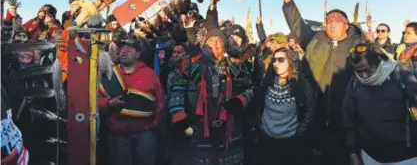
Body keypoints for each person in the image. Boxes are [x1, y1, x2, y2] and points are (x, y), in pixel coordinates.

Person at [279, 0, 362, 165]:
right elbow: (298, 25)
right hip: (313, 112)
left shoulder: (357, 46)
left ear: (346, 24)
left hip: (344, 117)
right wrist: (288, 2)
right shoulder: (315, 38)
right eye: (328, 20)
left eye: (337, 20)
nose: (331, 24)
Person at [168, 28, 254, 165]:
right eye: (211, 40)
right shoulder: (189, 65)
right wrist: (179, 118)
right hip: (198, 130)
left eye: (219, 40)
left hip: (230, 131)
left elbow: (249, 89)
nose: (215, 43)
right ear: (204, 45)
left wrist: (241, 100)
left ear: (224, 44)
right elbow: (177, 91)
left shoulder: (236, 65)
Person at [343, 43, 417, 165]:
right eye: (358, 72)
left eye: (367, 70)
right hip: (369, 155)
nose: (364, 76)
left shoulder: (403, 77)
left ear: (381, 62)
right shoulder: (355, 82)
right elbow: (349, 119)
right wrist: (352, 152)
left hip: (405, 157)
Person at [98, 38, 165, 165]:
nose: (124, 51)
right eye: (122, 49)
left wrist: (153, 125)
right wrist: (109, 103)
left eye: (129, 49)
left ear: (138, 54)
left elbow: (160, 102)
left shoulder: (150, 74)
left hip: (144, 134)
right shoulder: (109, 73)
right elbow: (96, 101)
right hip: (118, 135)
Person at [255, 47, 315, 165]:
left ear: (290, 62)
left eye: (281, 59)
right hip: (266, 138)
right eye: (274, 60)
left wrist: (301, 130)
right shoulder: (267, 81)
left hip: (290, 141)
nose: (276, 63)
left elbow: (310, 107)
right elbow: (259, 103)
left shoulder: (300, 83)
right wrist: (260, 125)